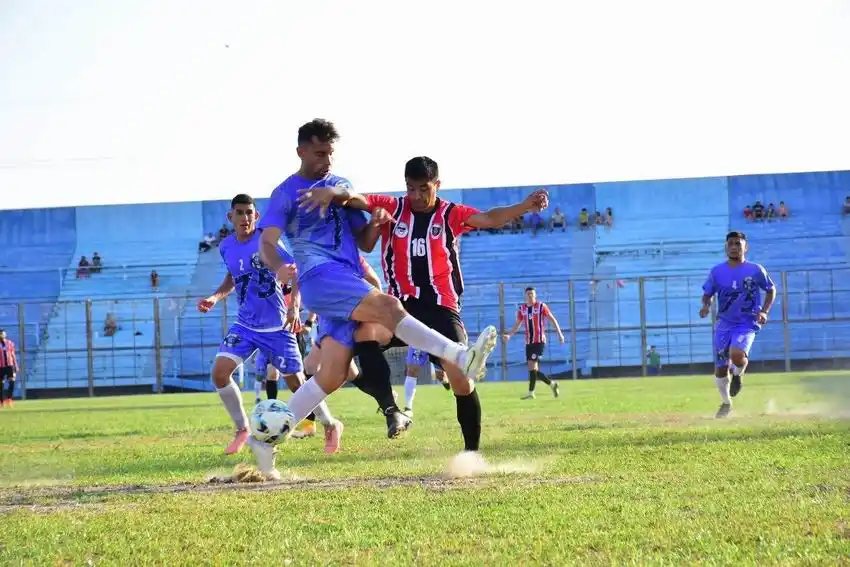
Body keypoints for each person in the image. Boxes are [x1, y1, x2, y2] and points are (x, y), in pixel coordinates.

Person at [256, 120, 496, 479]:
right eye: (320, 153)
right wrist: (279, 267)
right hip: (320, 277)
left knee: (331, 376)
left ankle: (264, 447)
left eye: (331, 154)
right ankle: (459, 354)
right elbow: (267, 244)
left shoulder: (340, 186)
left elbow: (365, 242)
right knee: (388, 307)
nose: (327, 161)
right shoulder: (285, 193)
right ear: (301, 151)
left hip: (347, 277)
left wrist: (377, 222)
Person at [303, 154, 547, 454]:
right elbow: (357, 199)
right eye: (410, 188)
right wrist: (333, 193)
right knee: (365, 332)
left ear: (437, 185)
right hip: (399, 306)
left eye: (423, 189)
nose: (415, 196)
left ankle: (471, 454)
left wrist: (524, 206)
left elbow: (490, 218)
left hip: (441, 306)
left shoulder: (450, 214)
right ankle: (393, 411)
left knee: (461, 379)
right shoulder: (394, 207)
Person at [198, 193, 342, 457]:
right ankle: (242, 429)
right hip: (245, 325)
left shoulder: (267, 241)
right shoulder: (226, 246)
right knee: (219, 373)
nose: (244, 218)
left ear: (257, 215)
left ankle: (330, 425)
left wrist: (294, 308)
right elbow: (233, 276)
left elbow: (294, 271)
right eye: (239, 213)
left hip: (277, 327)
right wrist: (214, 297)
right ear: (230, 217)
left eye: (249, 212)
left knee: (299, 384)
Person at [699, 231, 776, 418]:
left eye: (738, 244)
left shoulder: (756, 270)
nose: (734, 247)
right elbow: (708, 293)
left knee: (737, 354)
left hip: (746, 322)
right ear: (726, 247)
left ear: (745, 247)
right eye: (731, 244)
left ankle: (738, 374)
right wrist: (705, 306)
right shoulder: (717, 271)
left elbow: (771, 289)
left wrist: (764, 311)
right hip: (724, 323)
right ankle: (726, 404)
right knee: (720, 368)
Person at [503, 286, 565, 399]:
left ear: (535, 295)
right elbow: (518, 324)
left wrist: (559, 334)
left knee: (532, 366)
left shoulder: (541, 306)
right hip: (528, 342)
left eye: (532, 294)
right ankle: (550, 385)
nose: (530, 296)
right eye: (528, 294)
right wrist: (509, 335)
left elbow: (552, 319)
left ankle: (532, 393)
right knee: (532, 369)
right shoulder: (522, 309)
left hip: (539, 341)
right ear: (525, 296)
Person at [402, 347, 451, 416]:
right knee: (413, 368)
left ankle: (448, 385)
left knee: (441, 376)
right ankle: (408, 408)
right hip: (420, 338)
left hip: (437, 340)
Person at [0, 330, 18, 407]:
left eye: (4, 333)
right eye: (2, 334)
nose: (3, 335)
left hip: (10, 365)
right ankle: (1, 401)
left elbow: (13, 354)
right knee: (1, 384)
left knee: (12, 382)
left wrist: (16, 365)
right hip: (1, 366)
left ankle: (9, 399)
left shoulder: (10, 343)